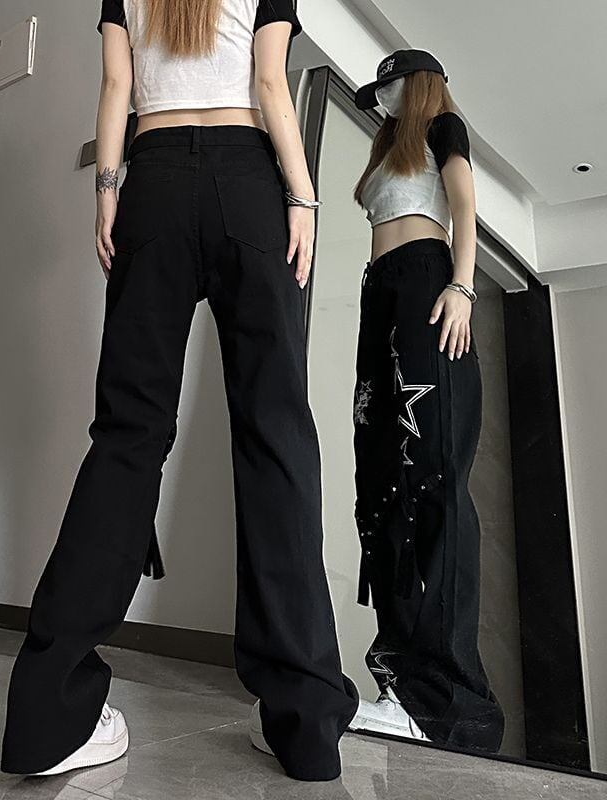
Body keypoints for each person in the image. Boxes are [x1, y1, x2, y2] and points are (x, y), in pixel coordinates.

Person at [0, 0, 359, 783]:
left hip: (152, 181)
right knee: (276, 436)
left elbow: (116, 86)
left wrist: (107, 191)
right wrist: (303, 196)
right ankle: (304, 724)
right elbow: (270, 82)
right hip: (249, 180)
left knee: (127, 436)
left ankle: (51, 717)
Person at [346, 49, 504, 752]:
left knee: (434, 476)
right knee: (380, 484)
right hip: (380, 291)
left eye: (390, 87)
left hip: (427, 281)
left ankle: (449, 704)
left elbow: (464, 207)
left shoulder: (443, 126)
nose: (381, 100)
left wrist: (462, 287)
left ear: (416, 84)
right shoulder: (390, 149)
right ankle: (401, 683)